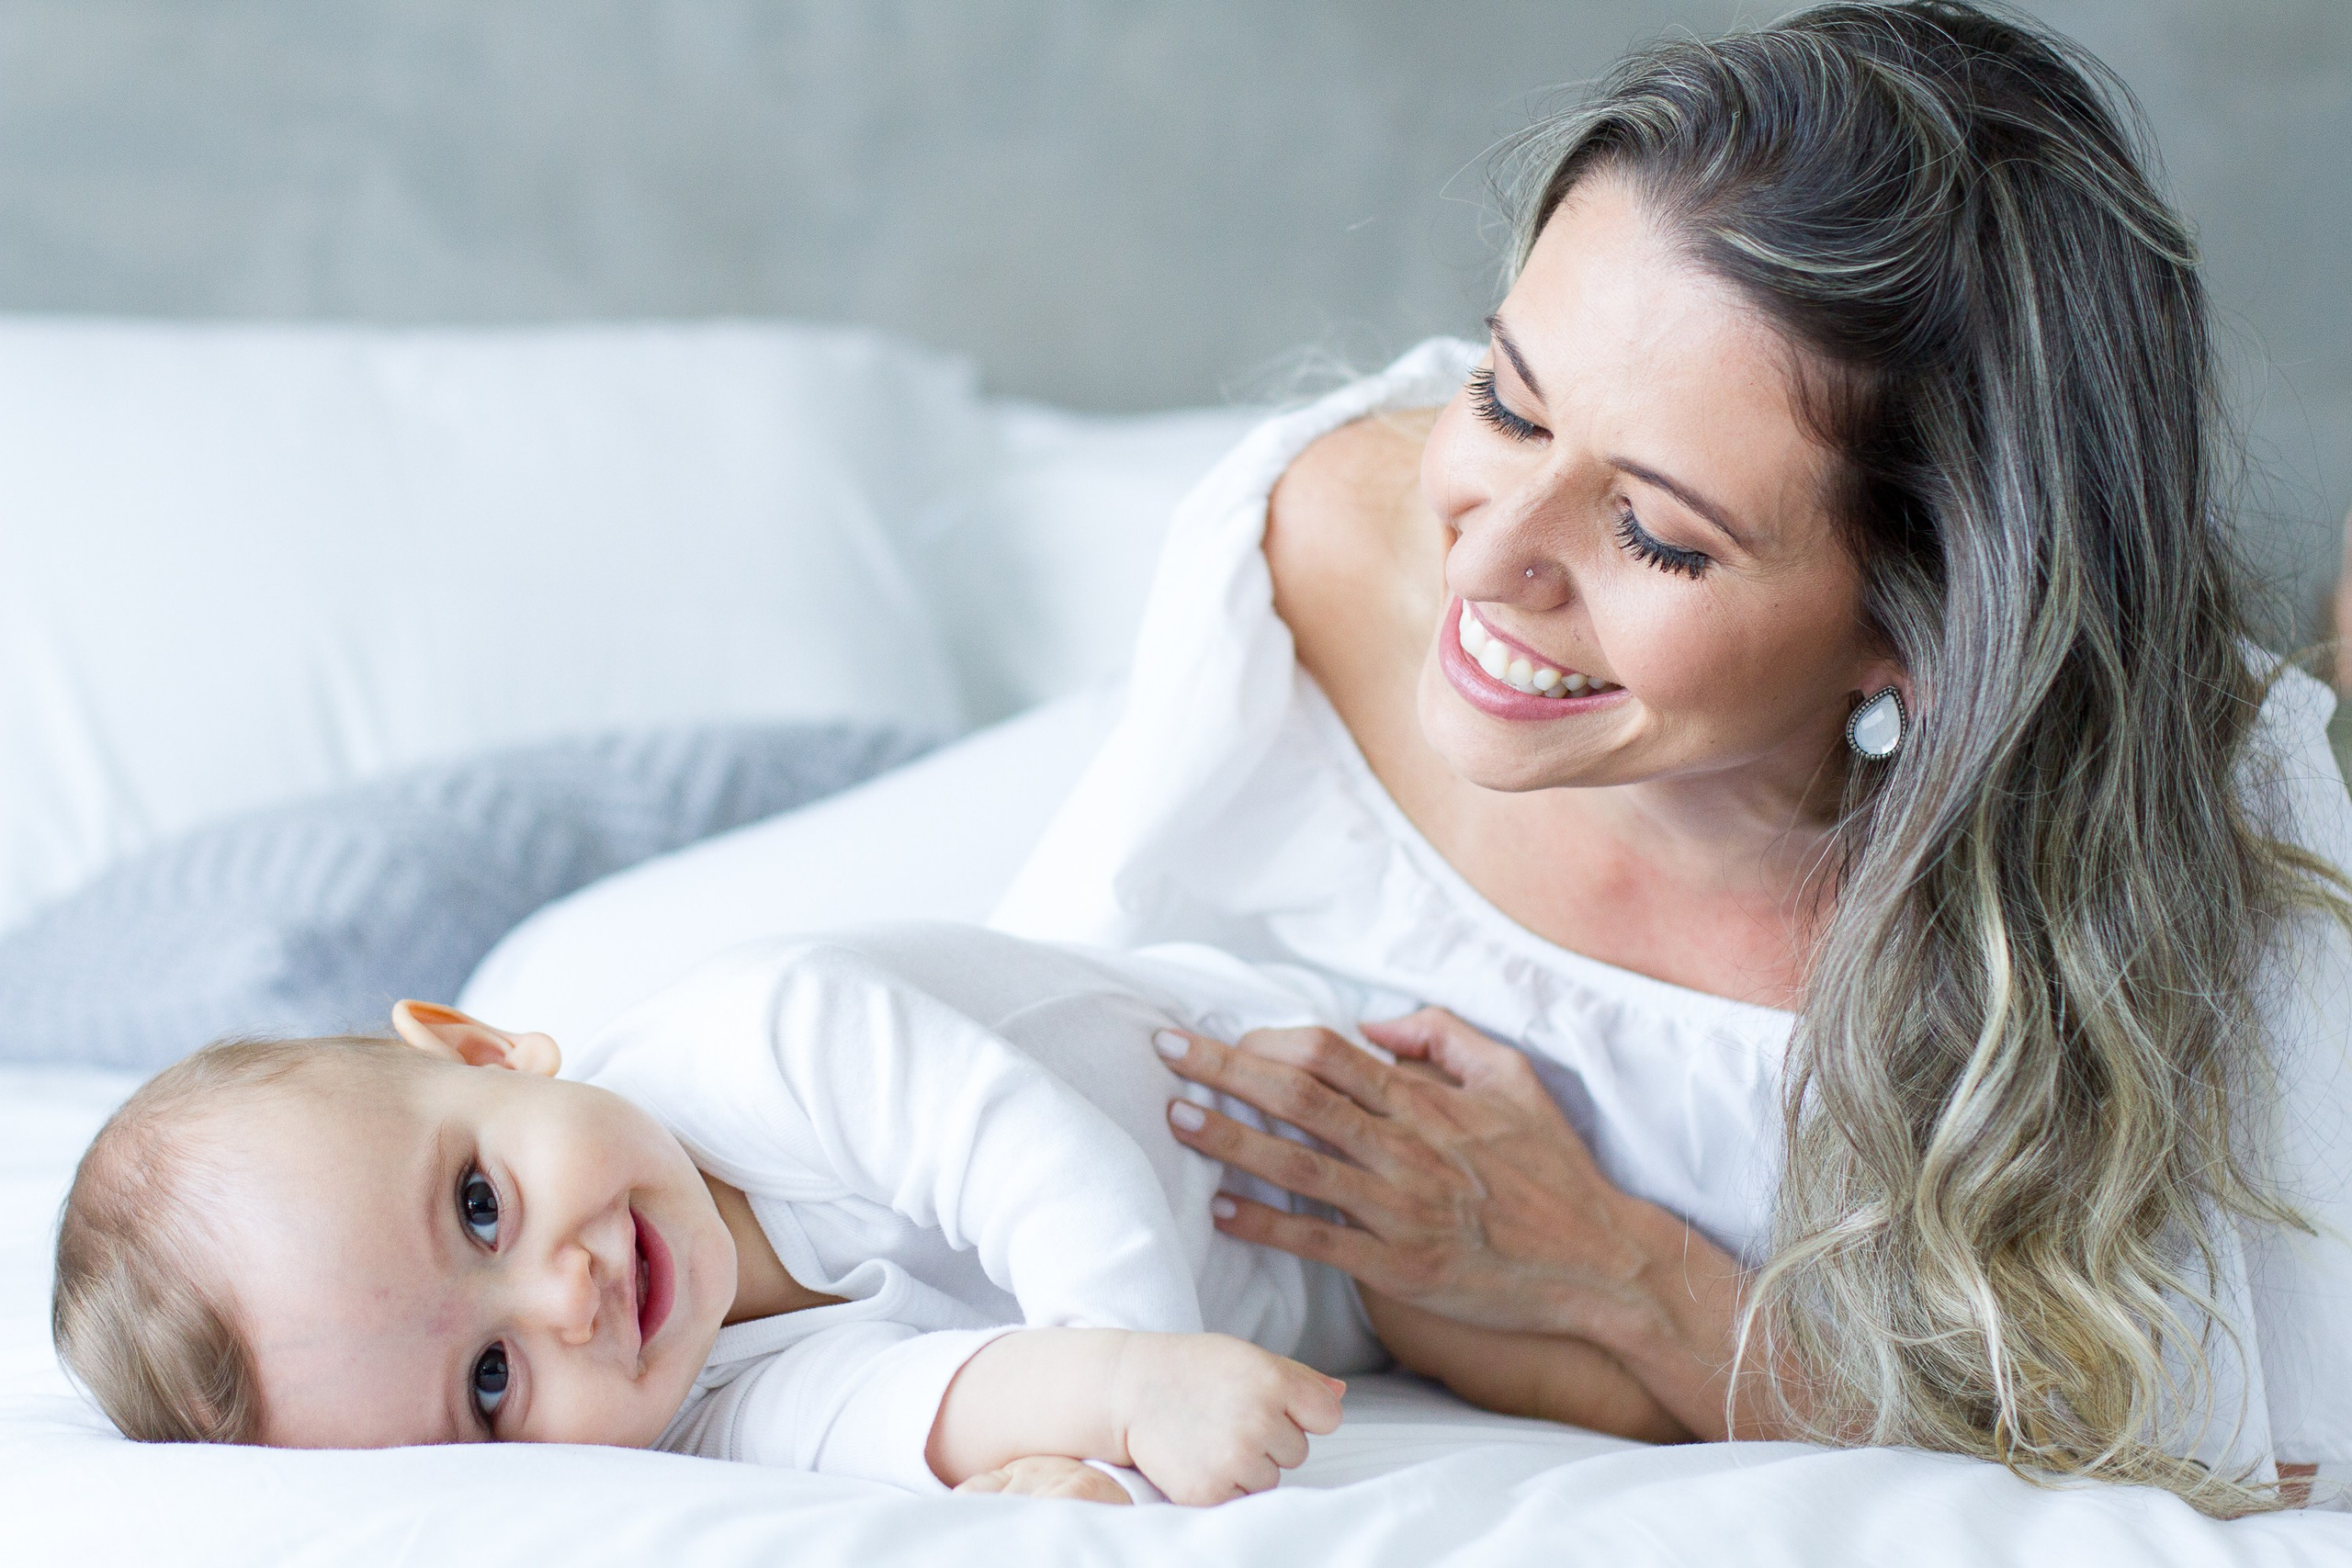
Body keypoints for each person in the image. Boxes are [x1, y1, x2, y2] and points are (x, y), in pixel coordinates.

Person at [991, 0, 2352, 1515]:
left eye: (1656, 532)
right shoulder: (1313, 564)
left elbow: (2237, 1486)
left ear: (1919, 632)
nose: (1490, 557)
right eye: (1506, 401)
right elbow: (998, 1063)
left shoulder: (2218, 852)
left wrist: (1616, 1272)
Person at [49, 922, 1681, 1506]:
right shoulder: (678, 1419)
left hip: (1324, 1074)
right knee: (1591, 1391)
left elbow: (1025, 1156)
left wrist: (1134, 1367)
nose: (560, 1303)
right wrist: (1067, 1438)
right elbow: (914, 1403)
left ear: (482, 1052)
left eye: (479, 1204)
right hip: (1330, 1301)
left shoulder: (767, 1032)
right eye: (488, 1390)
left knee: (1625, 1140)